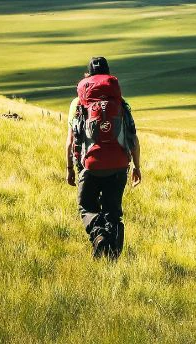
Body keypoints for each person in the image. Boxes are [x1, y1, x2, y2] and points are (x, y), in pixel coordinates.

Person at [65, 56, 141, 259]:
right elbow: (132, 137)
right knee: (113, 211)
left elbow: (71, 140)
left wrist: (70, 169)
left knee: (87, 206)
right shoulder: (121, 103)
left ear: (88, 76)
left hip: (90, 165)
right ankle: (113, 256)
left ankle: (98, 236)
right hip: (119, 165)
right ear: (108, 75)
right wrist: (137, 167)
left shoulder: (78, 103)